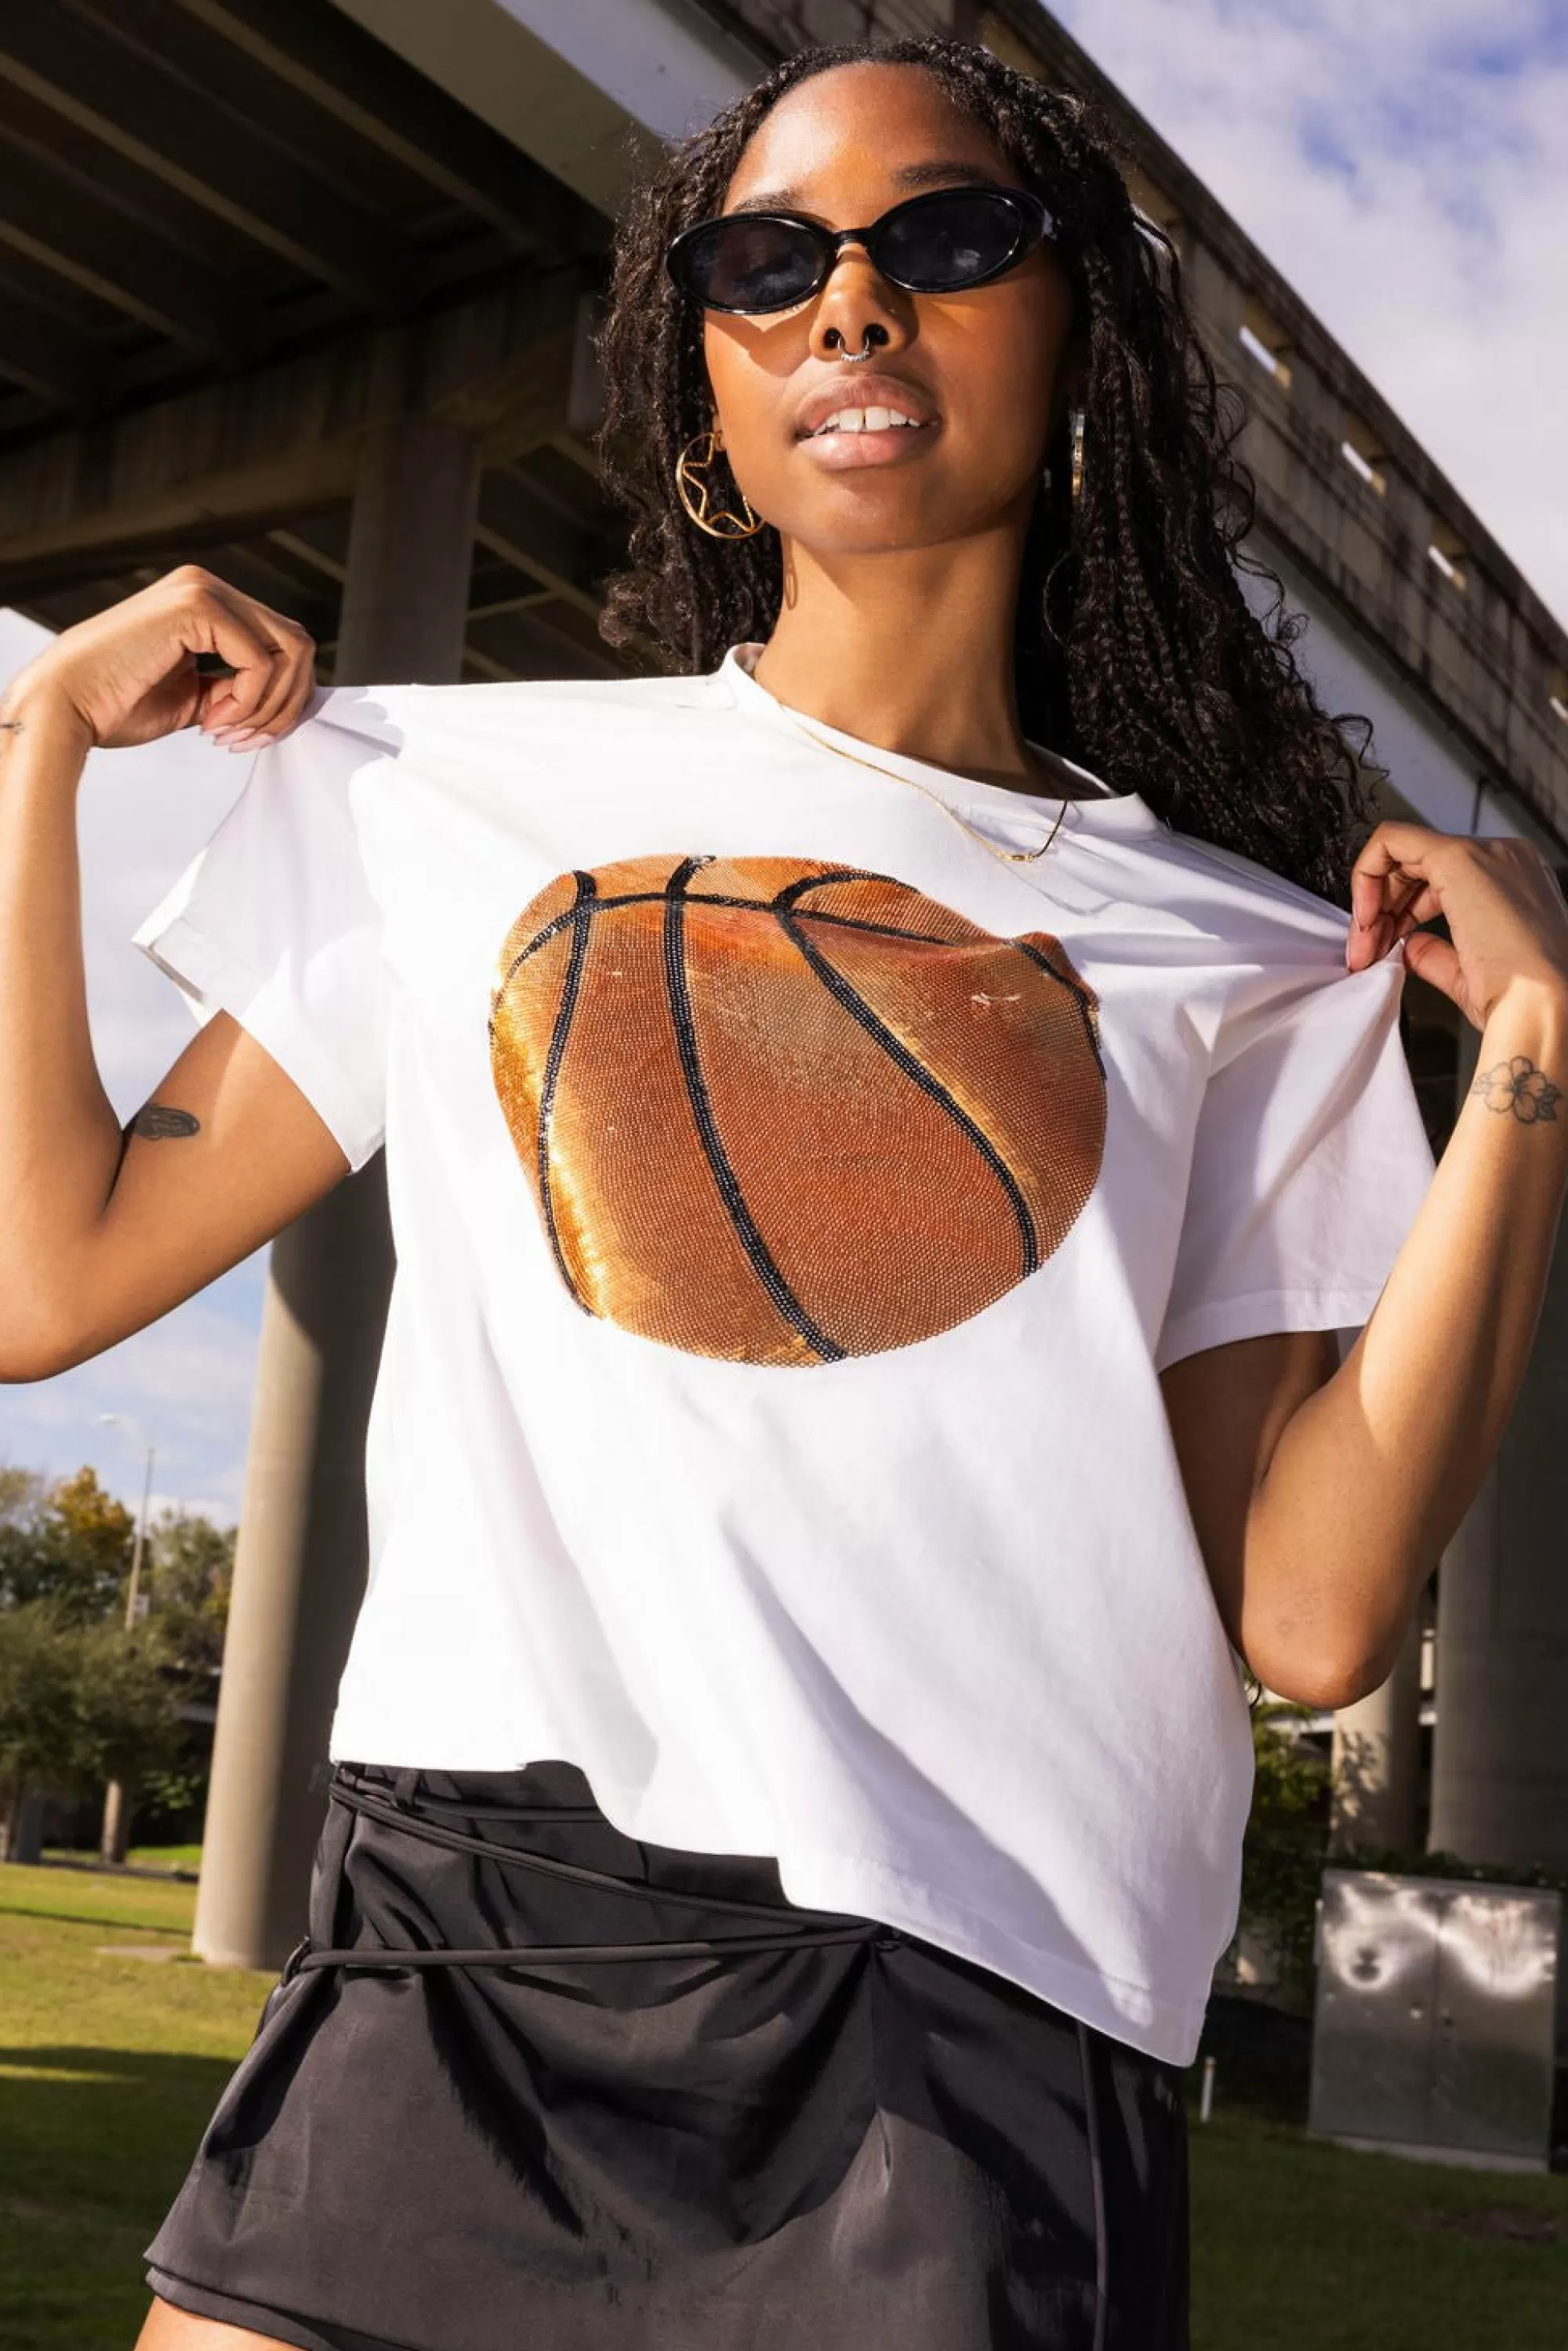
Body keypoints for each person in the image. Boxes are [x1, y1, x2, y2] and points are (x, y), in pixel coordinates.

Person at [2, 32, 1564, 2351]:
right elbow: (49, 1274)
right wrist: (35, 759)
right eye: (768, 261)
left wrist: (1531, 1054)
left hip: (966, 2028)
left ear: (1079, 335)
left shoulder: (1241, 961)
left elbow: (1315, 1613)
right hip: (470, 1947)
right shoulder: (452, 797)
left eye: (941, 239)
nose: (851, 305)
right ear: (703, 395)